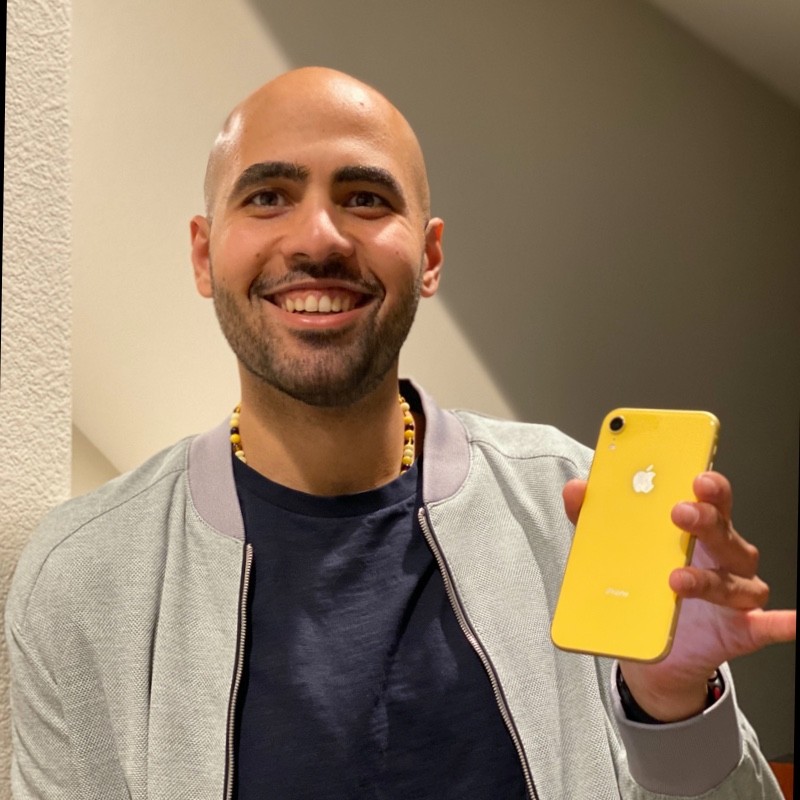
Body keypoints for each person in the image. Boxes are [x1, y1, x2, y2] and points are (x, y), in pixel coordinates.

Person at [6, 67, 795, 799]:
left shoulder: (577, 510)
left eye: (365, 198)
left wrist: (674, 709)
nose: (318, 238)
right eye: (268, 196)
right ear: (205, 255)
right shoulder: (84, 578)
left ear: (429, 256)